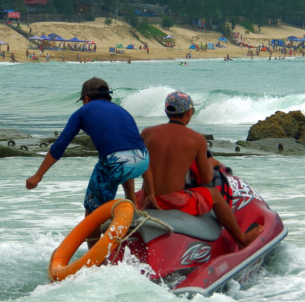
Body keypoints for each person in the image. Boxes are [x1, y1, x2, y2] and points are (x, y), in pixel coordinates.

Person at [26, 77, 149, 239]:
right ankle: (131, 202)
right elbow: (129, 146)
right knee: (122, 161)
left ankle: (95, 262)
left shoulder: (83, 112)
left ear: (86, 98)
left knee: (92, 212)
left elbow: (60, 145)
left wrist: (38, 175)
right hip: (143, 159)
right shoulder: (121, 111)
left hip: (117, 162)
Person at [137, 91, 262, 248]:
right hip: (173, 202)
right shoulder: (196, 139)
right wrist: (211, 163)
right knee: (215, 196)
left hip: (147, 197)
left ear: (166, 111)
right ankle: (242, 240)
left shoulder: (147, 133)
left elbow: (140, 163)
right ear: (189, 113)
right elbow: (206, 179)